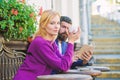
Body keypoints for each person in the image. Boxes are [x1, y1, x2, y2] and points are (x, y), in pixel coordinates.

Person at [13, 10, 80, 80]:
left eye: (58, 23)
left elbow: (63, 64)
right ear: (43, 25)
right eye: (52, 23)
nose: (56, 26)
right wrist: (71, 42)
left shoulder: (51, 42)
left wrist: (69, 59)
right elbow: (63, 66)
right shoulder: (40, 42)